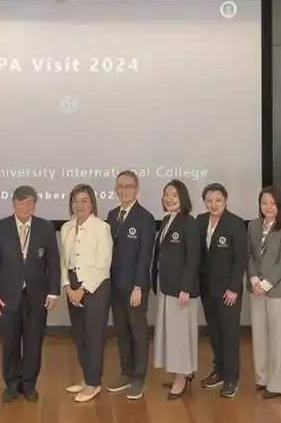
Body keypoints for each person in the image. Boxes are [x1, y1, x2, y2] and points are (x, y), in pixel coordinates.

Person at [0, 185, 60, 403]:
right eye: (21, 202)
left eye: (30, 202)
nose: (25, 206)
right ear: (14, 203)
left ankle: (29, 384)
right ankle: (12, 383)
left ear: (35, 205)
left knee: (34, 342)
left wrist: (53, 292)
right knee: (9, 342)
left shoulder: (45, 227)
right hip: (7, 296)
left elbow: (54, 262)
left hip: (37, 295)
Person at [104, 170, 156, 400]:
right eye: (120, 187)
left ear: (136, 190)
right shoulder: (111, 215)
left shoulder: (145, 218)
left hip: (135, 288)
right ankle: (125, 373)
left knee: (138, 332)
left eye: (128, 186)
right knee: (122, 331)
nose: (123, 190)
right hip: (114, 286)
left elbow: (145, 255)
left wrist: (138, 286)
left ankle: (138, 378)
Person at [61, 184, 113, 403]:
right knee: (80, 336)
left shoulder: (101, 227)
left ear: (92, 203)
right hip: (72, 286)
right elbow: (63, 261)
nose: (79, 205)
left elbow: (103, 264)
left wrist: (82, 290)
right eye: (75, 200)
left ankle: (93, 384)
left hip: (95, 287)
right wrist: (67, 286)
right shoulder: (66, 227)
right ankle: (87, 378)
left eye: (84, 200)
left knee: (93, 337)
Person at [196, 183, 248, 398]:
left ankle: (232, 378)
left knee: (229, 334)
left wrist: (233, 288)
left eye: (218, 200)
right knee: (214, 332)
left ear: (225, 200)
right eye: (209, 201)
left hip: (228, 290)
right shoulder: (200, 221)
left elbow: (240, 259)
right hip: (207, 288)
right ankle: (218, 371)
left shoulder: (235, 223)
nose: (213, 204)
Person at [152, 179, 201, 400]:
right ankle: (181, 373)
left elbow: (193, 258)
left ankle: (181, 378)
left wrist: (185, 288)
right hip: (166, 286)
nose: (169, 199)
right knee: (171, 334)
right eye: (166, 194)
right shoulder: (166, 220)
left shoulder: (188, 222)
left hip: (181, 291)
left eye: (174, 194)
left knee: (181, 336)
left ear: (183, 197)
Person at [246, 187, 281, 399]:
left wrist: (266, 284)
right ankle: (262, 379)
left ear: (279, 206)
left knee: (278, 339)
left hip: (279, 291)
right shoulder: (253, 225)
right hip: (255, 289)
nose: (268, 207)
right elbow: (248, 254)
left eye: (272, 203)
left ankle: (277, 385)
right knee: (259, 337)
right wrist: (254, 279)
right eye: (264, 203)